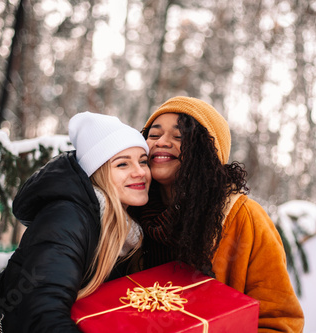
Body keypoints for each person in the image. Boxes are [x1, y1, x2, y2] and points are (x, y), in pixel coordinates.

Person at [0, 111, 151, 333]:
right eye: (123, 164)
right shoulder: (67, 219)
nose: (140, 172)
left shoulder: (123, 231)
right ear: (98, 173)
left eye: (143, 161)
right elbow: (43, 315)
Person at [129, 96, 304, 332]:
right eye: (154, 134)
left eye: (179, 136)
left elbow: (280, 322)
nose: (162, 142)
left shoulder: (243, 217)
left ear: (207, 152)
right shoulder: (128, 211)